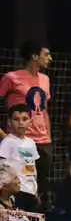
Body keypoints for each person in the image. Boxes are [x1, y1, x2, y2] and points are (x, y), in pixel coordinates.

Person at [0, 40, 52, 192]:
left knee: (38, 185)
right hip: (20, 139)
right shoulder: (12, 78)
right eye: (46, 54)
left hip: (43, 141)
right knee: (18, 185)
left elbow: (44, 109)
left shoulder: (45, 79)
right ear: (35, 56)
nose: (50, 58)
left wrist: (48, 135)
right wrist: (4, 135)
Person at [0, 104, 41, 213]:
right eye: (16, 119)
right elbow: (2, 168)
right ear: (9, 122)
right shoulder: (8, 142)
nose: (21, 123)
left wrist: (35, 189)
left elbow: (30, 167)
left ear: (30, 122)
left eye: (24, 119)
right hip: (16, 191)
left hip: (30, 191)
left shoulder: (30, 143)